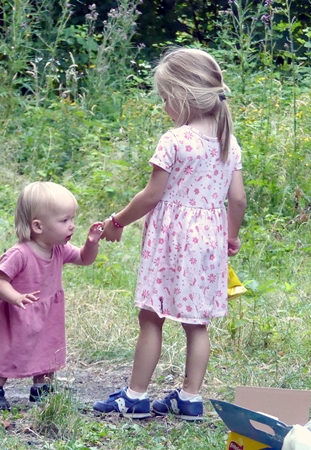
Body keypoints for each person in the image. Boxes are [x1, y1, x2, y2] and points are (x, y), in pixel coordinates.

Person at [93, 48, 247, 421]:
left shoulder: (175, 140)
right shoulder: (228, 143)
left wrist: (117, 222)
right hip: (209, 241)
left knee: (152, 317)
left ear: (183, 95)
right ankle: (190, 398)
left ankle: (135, 397)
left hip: (172, 241)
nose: (164, 106)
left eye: (165, 98)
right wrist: (230, 236)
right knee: (197, 323)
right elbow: (238, 199)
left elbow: (151, 195)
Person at [0, 181, 104, 409]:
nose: (72, 226)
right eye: (64, 220)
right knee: (5, 349)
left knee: (47, 347)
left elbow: (84, 258)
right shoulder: (20, 254)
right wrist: (15, 297)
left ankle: (42, 390)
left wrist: (91, 243)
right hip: (15, 313)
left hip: (46, 314)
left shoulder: (58, 248)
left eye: (72, 219)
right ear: (38, 226)